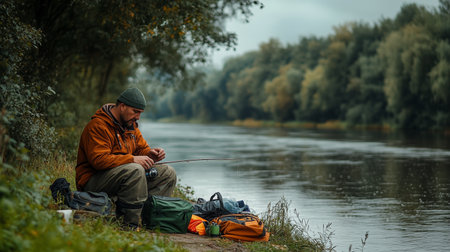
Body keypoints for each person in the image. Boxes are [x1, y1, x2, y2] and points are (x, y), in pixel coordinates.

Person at [75, 87, 177, 228]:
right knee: (135, 169)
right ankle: (129, 223)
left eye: (140, 113)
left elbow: (141, 148)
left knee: (168, 172)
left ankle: (150, 219)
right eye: (135, 112)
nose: (138, 117)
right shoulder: (98, 126)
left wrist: (150, 154)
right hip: (93, 182)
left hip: (121, 176)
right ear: (122, 106)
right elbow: (98, 160)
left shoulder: (131, 126)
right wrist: (132, 159)